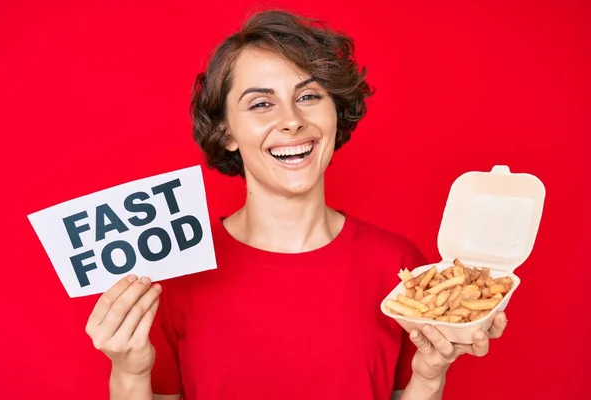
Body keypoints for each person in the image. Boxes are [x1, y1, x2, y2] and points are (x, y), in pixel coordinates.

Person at [85, 9, 508, 400]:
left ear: (335, 114)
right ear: (226, 131)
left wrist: (429, 377)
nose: (291, 119)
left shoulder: (400, 270)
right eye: (261, 103)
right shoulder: (175, 276)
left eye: (308, 96)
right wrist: (130, 373)